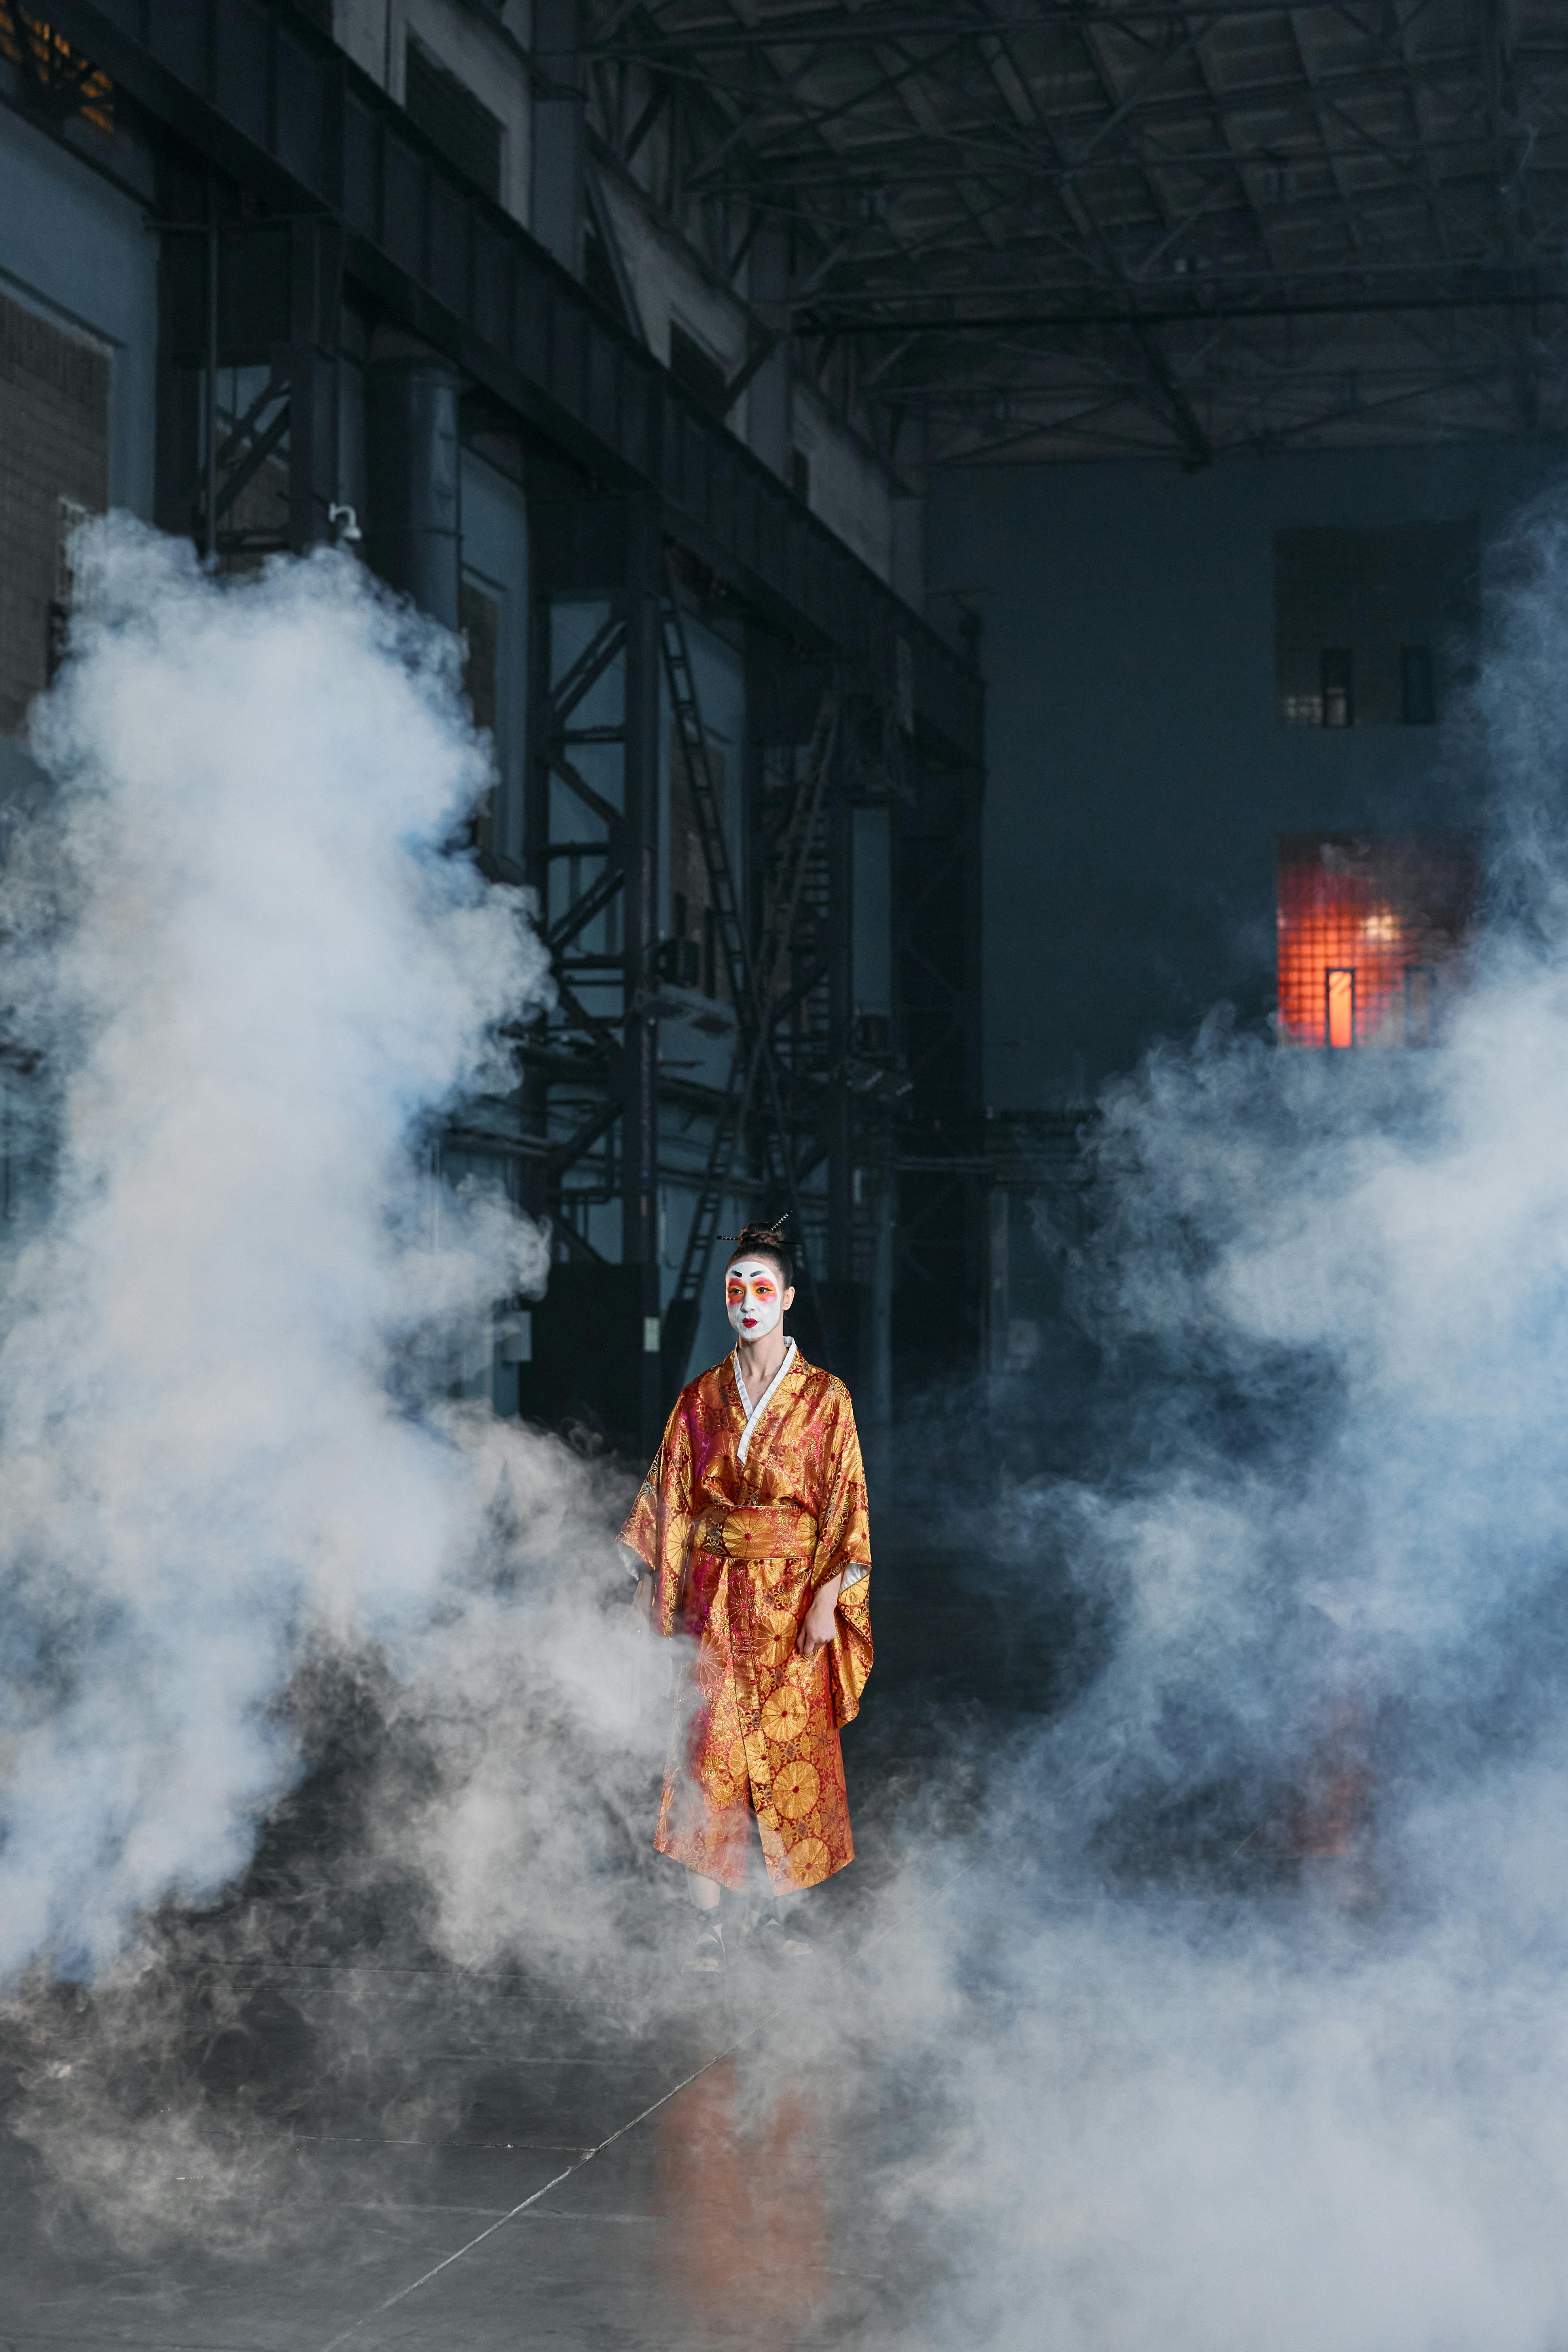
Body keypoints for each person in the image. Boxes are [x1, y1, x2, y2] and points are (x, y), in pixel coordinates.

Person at [620, 1222, 873, 1970]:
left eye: (763, 1289)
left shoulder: (828, 1400)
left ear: (789, 1299)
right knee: (708, 1751)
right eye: (736, 1290)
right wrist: (648, 1578)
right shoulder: (701, 1400)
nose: (748, 1302)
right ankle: (708, 1924)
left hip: (795, 1601)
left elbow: (847, 1505)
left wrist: (831, 1594)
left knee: (794, 1749)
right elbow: (671, 1493)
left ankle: (783, 1918)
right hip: (715, 1598)